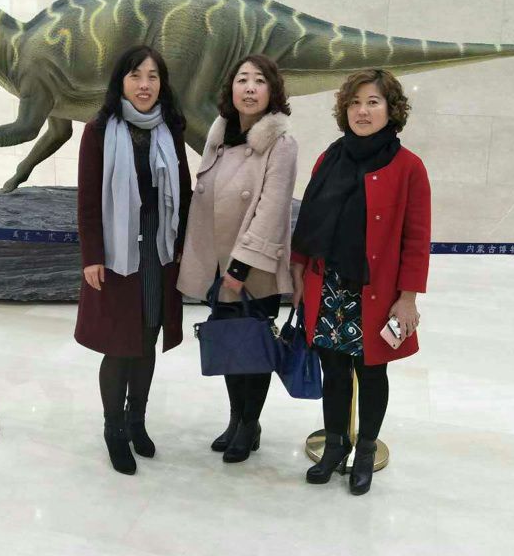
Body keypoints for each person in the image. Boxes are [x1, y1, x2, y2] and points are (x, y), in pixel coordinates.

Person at [291, 69, 431, 495]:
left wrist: (408, 298)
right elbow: (309, 220)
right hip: (328, 285)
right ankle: (336, 444)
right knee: (333, 369)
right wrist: (297, 271)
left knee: (371, 372)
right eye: (354, 102)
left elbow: (416, 238)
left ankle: (365, 449)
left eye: (373, 102)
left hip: (376, 292)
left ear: (392, 109)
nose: (362, 111)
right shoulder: (329, 158)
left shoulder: (409, 167)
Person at [75, 45, 191, 475]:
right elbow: (88, 200)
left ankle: (137, 421)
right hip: (117, 252)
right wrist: (92, 256)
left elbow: (183, 189)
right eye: (135, 75)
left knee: (147, 338)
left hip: (158, 251)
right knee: (118, 344)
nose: (145, 85)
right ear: (120, 82)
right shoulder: (98, 131)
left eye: (153, 76)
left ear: (162, 84)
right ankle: (114, 428)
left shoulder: (170, 128)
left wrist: (182, 242)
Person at [177, 54, 297, 463]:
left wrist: (240, 266)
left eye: (259, 81)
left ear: (272, 91)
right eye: (242, 79)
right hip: (218, 262)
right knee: (231, 345)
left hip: (252, 267)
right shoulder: (221, 135)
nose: (249, 88)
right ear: (230, 89)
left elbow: (272, 208)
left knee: (254, 348)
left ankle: (250, 424)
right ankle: (235, 419)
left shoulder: (281, 143)